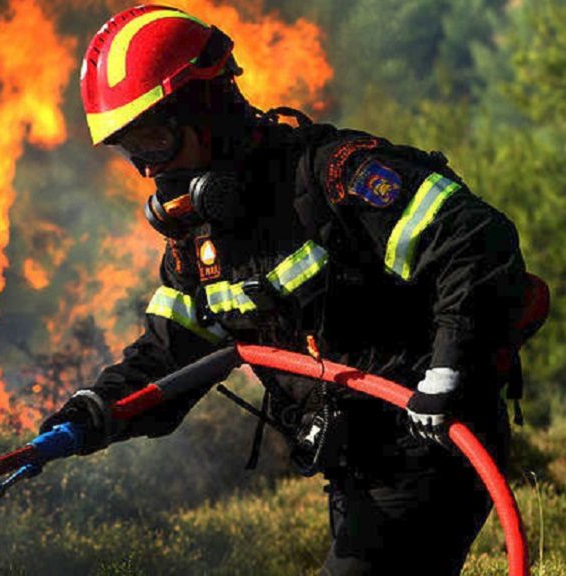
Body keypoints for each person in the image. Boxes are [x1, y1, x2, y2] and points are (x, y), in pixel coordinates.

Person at [41, 5, 540, 575]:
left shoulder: (335, 178)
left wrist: (449, 372)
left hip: (432, 447)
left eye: (155, 141)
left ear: (208, 108)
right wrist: (92, 414)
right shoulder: (201, 245)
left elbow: (475, 241)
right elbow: (170, 353)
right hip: (358, 468)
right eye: (134, 153)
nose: (150, 173)